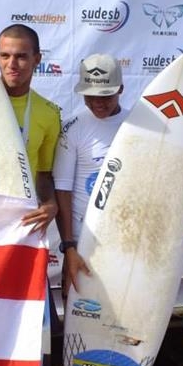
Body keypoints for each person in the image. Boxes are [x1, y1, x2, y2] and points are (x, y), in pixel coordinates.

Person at [0, 24, 61, 366]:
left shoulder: (48, 114)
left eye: (21, 56)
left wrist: (49, 202)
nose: (12, 64)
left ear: (37, 59)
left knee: (40, 335)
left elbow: (44, 174)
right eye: (5, 55)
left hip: (24, 238)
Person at [53, 53, 129, 293]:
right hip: (83, 240)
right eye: (90, 95)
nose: (98, 102)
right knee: (80, 314)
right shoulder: (72, 126)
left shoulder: (137, 123)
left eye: (106, 95)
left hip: (126, 238)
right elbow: (61, 190)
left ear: (121, 89)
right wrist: (69, 245)